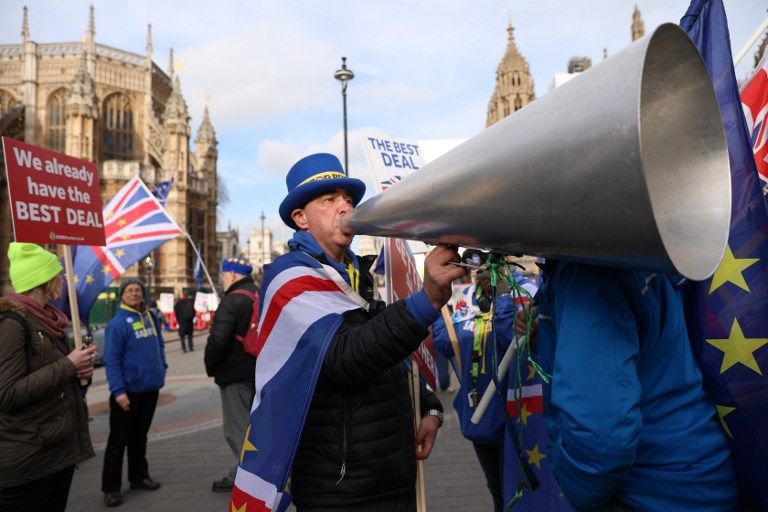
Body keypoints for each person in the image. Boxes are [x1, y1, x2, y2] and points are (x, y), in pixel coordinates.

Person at [263, 153, 465, 510]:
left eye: (348, 199)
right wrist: (428, 301)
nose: (345, 207)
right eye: (328, 200)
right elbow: (344, 359)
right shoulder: (291, 278)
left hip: (393, 473)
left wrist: (429, 407)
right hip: (342, 489)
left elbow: (389, 356)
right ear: (301, 218)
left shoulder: (360, 274)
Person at [529, 260, 737, 511]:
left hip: (651, 492)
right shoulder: (641, 256)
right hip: (695, 478)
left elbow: (599, 443)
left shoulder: (588, 270)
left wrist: (577, 493)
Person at [0, 242, 96, 511]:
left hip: (54, 452)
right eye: (58, 275)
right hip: (29, 462)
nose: (62, 280)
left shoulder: (48, 320)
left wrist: (78, 373)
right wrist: (68, 365)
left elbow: (50, 381)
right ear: (43, 282)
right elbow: (6, 394)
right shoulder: (12, 324)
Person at [432, 269, 520, 512]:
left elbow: (510, 337)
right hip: (478, 414)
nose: (483, 273)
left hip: (510, 417)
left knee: (511, 489)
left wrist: (503, 299)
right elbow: (445, 345)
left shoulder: (516, 297)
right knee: (497, 489)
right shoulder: (466, 304)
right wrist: (439, 312)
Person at [101, 277, 167, 507]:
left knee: (139, 437)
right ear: (122, 295)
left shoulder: (151, 317)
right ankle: (111, 488)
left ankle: (139, 477)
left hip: (150, 389)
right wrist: (118, 391)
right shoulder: (117, 324)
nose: (134, 293)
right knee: (118, 442)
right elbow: (111, 360)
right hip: (126, 393)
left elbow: (160, 344)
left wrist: (162, 367)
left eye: (137, 290)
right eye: (129, 290)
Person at [204, 256, 257, 492]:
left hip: (235, 374)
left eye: (224, 275)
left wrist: (211, 366)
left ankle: (252, 482)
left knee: (237, 430)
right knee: (252, 426)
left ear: (233, 275)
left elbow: (219, 340)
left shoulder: (231, 300)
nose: (223, 279)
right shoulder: (259, 294)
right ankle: (238, 474)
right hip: (258, 370)